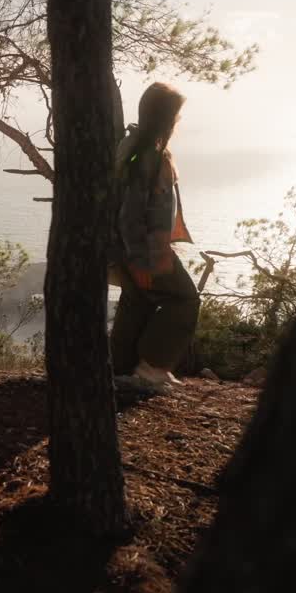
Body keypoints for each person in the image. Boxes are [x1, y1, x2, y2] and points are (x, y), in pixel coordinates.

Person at [110, 82, 201, 388]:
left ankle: (120, 369)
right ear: (165, 116)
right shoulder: (148, 156)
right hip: (144, 252)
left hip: (130, 250)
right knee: (185, 300)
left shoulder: (134, 146)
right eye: (176, 114)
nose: (178, 121)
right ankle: (152, 367)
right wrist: (140, 260)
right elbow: (131, 214)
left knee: (137, 301)